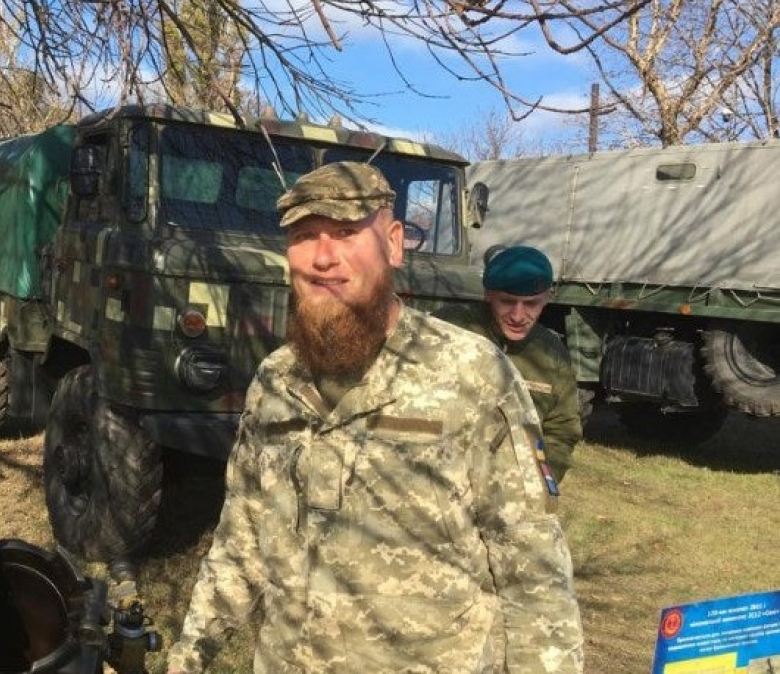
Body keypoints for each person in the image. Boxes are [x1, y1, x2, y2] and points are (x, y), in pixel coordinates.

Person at [166, 162, 583, 673]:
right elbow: (240, 544)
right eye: (304, 235)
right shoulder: (275, 383)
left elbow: (532, 568)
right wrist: (186, 660)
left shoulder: (470, 374)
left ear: (393, 242)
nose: (322, 257)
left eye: (344, 233)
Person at [435, 245, 583, 484]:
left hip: (508, 491)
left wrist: (539, 484)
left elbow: (562, 431)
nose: (517, 315)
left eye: (531, 304)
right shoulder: (449, 330)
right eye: (507, 301)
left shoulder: (552, 356)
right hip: (438, 480)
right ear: (488, 294)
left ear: (547, 298)